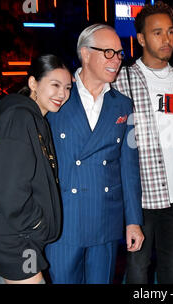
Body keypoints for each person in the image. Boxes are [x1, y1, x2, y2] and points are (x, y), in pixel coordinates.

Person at [45, 24, 144, 284]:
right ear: (85, 54)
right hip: (64, 222)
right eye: (108, 52)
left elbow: (129, 167)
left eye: (120, 54)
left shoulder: (123, 104)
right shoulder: (58, 97)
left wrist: (133, 221)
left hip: (106, 223)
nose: (116, 61)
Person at [113, 1, 173, 284]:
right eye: (157, 32)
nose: (166, 39)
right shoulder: (121, 80)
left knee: (172, 265)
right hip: (140, 197)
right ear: (141, 38)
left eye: (170, 31)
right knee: (138, 268)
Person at [0, 54, 72, 284]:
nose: (62, 94)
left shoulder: (35, 120)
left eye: (67, 87)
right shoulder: (21, 118)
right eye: (54, 85)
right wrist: (36, 224)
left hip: (19, 236)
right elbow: (9, 186)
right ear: (33, 83)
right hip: (17, 240)